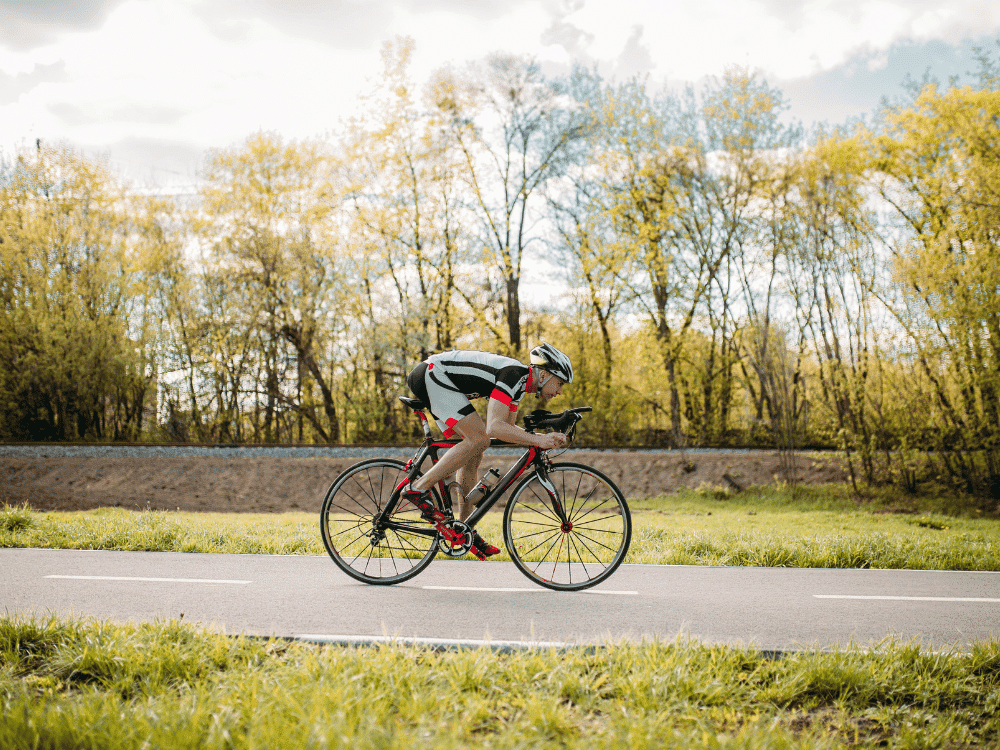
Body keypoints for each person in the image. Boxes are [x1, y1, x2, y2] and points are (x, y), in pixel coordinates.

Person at [402, 342, 573, 558]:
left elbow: (507, 430)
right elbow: (495, 427)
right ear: (543, 375)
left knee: (475, 449)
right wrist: (538, 441)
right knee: (478, 439)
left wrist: (539, 438)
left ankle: (464, 529)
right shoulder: (514, 375)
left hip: (437, 378)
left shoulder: (519, 386)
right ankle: (418, 488)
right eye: (559, 383)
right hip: (432, 374)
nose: (559, 391)